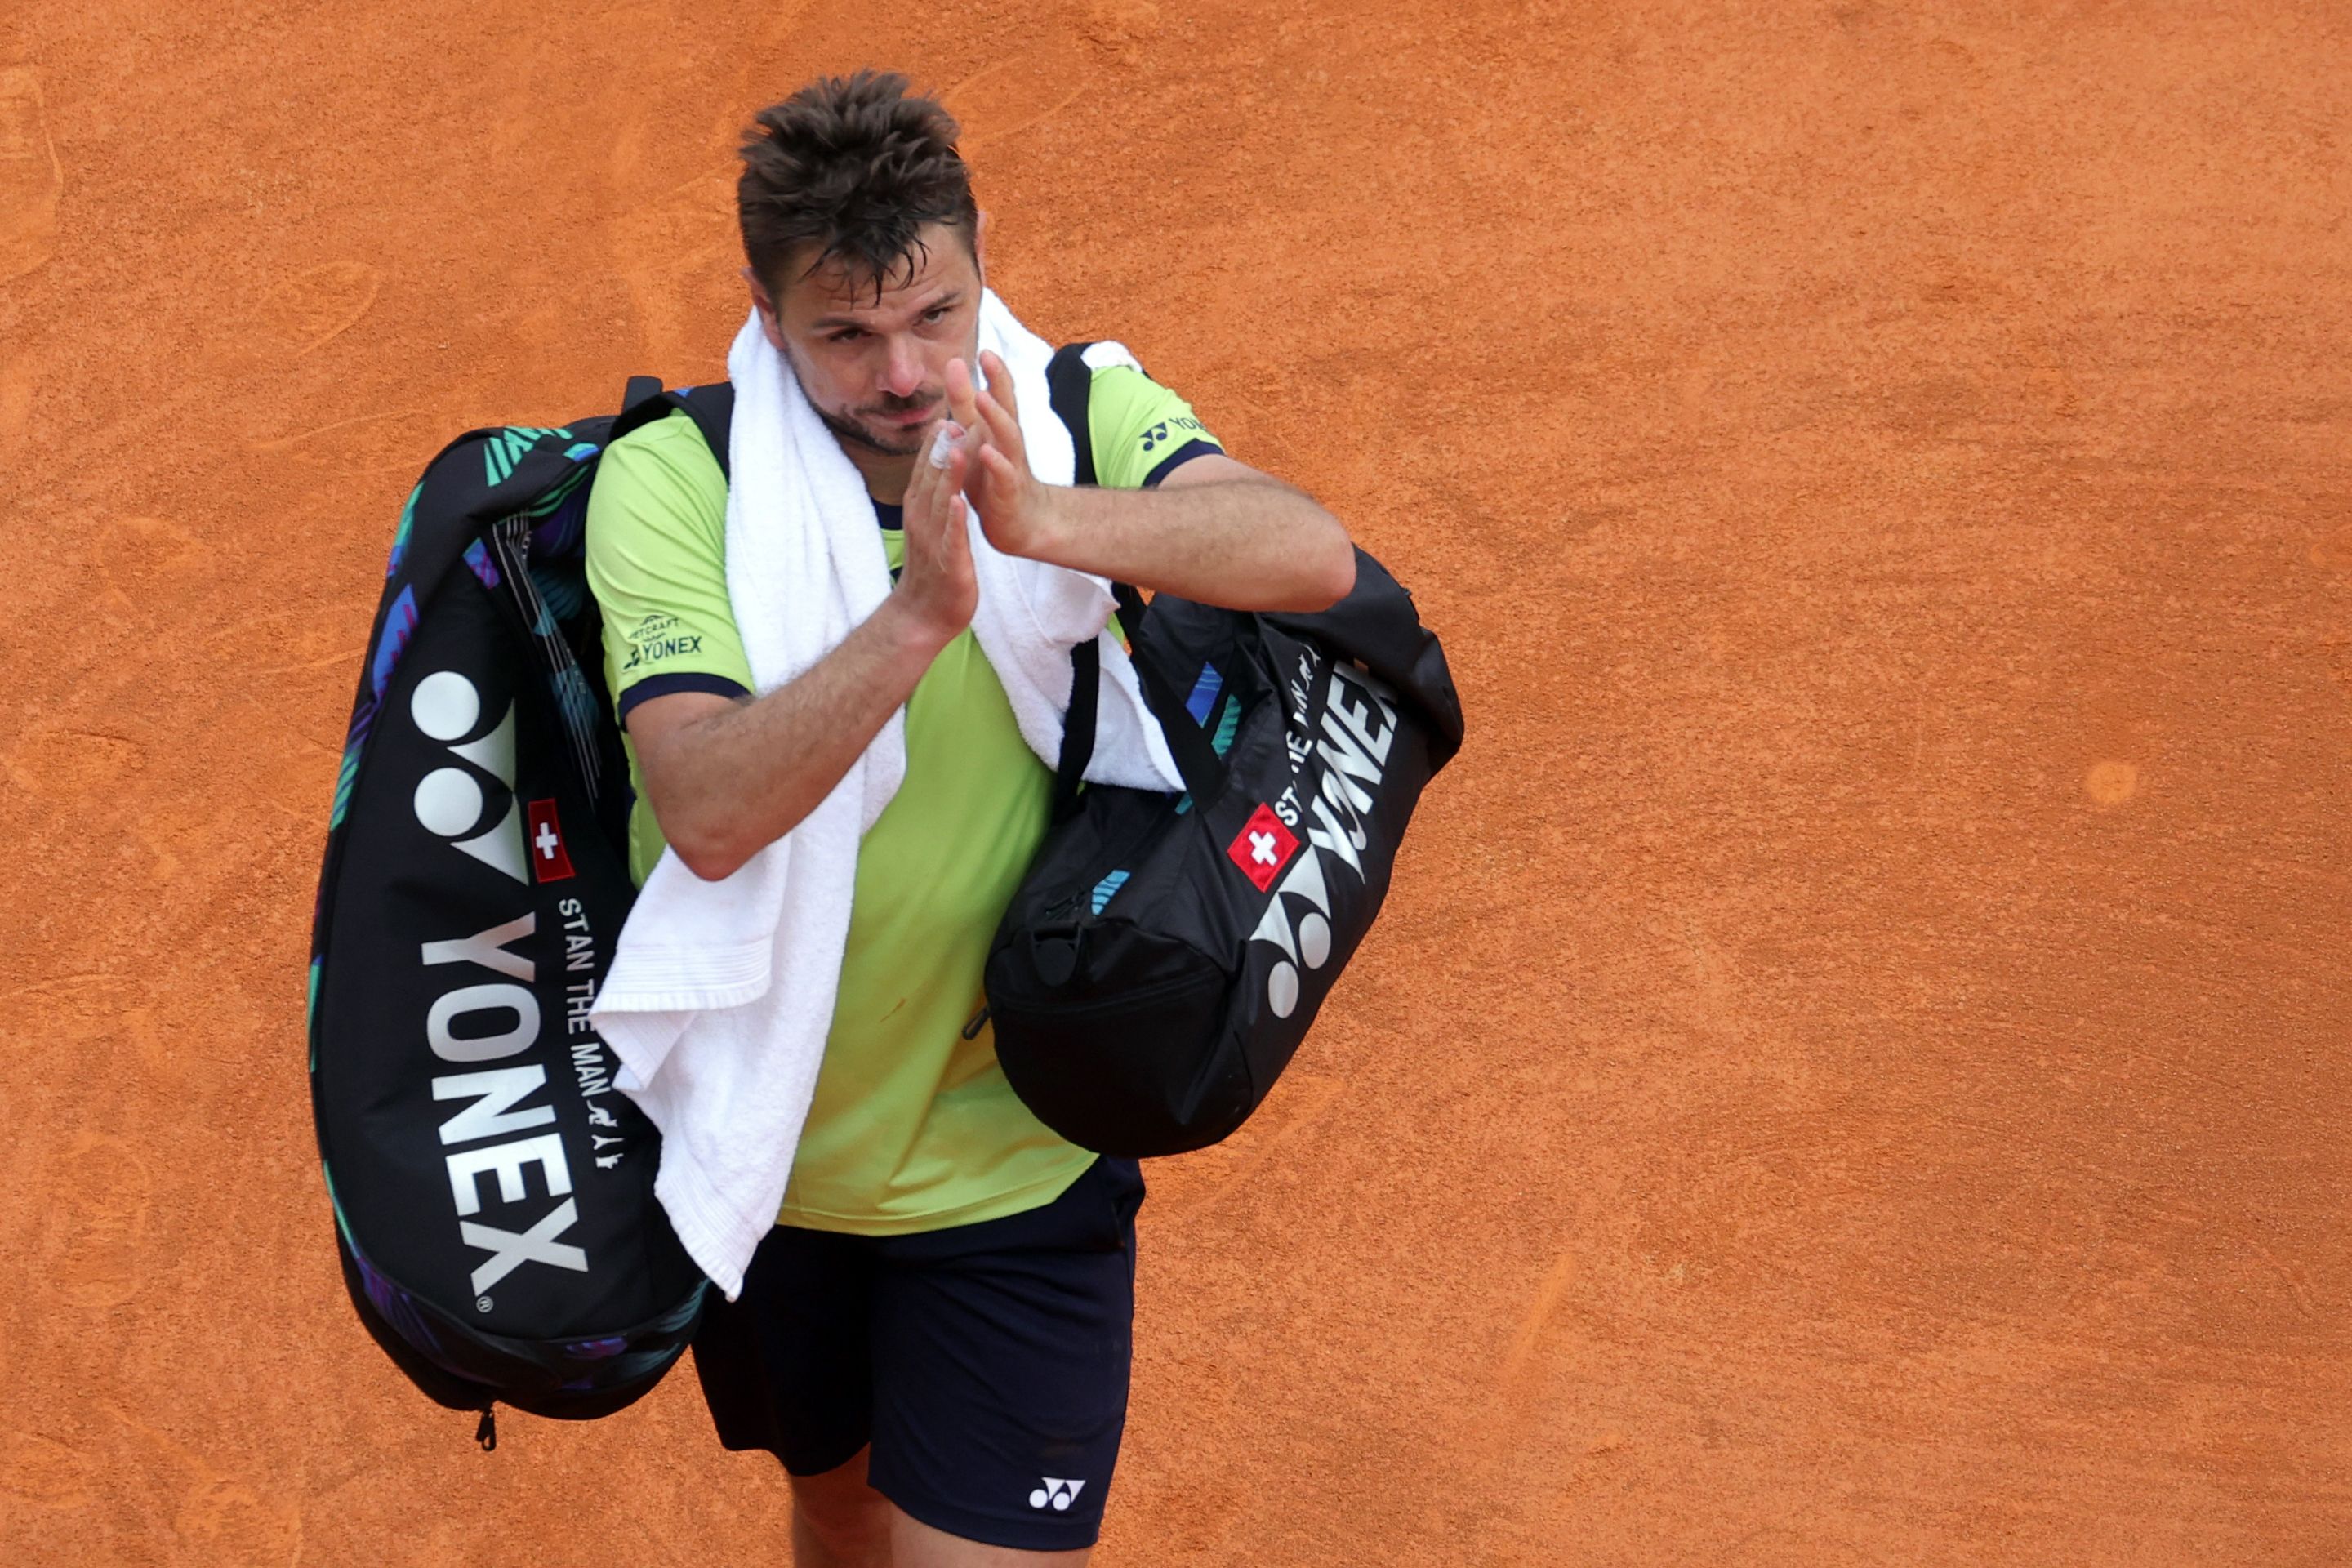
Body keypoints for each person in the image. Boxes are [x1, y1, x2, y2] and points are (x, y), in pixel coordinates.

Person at [583, 69, 1355, 1567]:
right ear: (765, 308)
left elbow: (1308, 553)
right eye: (846, 335)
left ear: (977, 255)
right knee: (837, 1510)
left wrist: (1048, 523)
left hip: (1019, 1160)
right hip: (769, 1165)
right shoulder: (670, 484)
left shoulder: (1070, 416)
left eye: (936, 314)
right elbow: (710, 810)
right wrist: (925, 616)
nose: (905, 372)